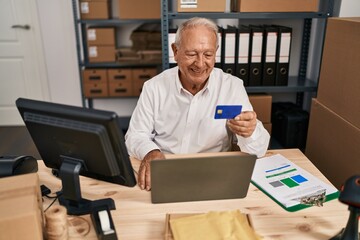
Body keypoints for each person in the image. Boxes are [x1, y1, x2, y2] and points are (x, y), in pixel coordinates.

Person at [125, 17, 270, 191]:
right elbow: (135, 135)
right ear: (175, 51)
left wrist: (250, 132)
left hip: (214, 175)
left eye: (208, 54)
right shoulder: (154, 87)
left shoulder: (232, 86)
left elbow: (258, 151)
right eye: (191, 54)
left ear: (216, 52)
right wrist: (150, 152)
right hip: (165, 171)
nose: (200, 64)